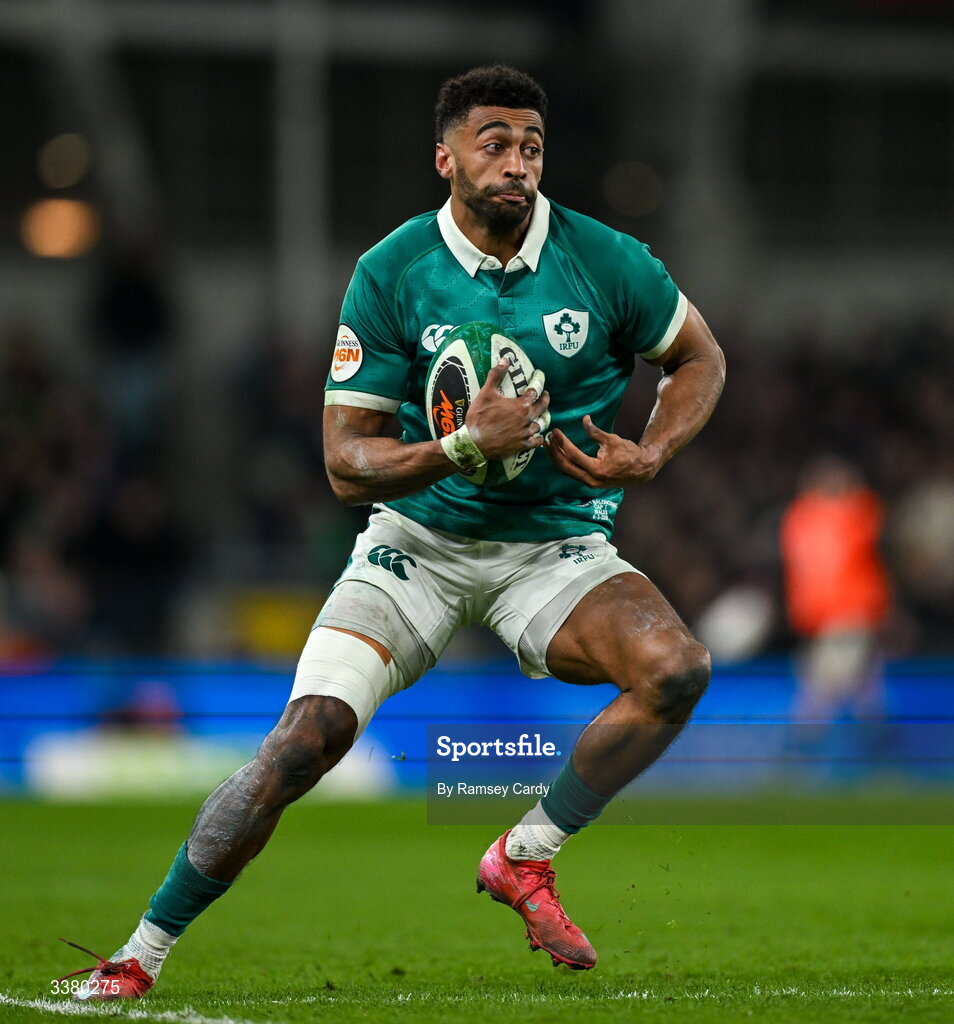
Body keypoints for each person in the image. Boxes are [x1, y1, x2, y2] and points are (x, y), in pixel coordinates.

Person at [60, 64, 725, 999]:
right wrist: (463, 446)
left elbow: (699, 356)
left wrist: (651, 451)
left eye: (532, 147)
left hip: (556, 546)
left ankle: (525, 853)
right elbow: (345, 462)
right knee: (304, 741)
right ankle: (139, 954)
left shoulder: (609, 260)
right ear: (445, 157)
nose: (517, 163)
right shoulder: (392, 270)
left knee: (677, 670)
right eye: (494, 143)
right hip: (415, 545)